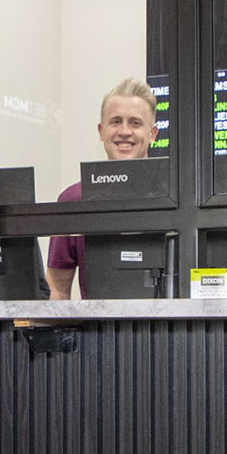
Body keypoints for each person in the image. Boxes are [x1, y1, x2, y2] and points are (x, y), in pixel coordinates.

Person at [46, 78, 158, 300]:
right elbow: (57, 289)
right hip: (94, 332)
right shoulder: (72, 200)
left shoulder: (174, 195)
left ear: (152, 134)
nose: (125, 131)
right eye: (116, 122)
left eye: (135, 123)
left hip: (167, 332)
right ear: (101, 131)